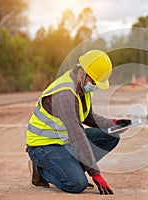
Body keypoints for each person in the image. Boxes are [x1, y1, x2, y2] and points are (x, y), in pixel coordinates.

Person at [26, 50, 131, 195]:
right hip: (44, 146)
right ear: (82, 72)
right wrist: (96, 174)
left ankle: (69, 169)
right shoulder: (64, 94)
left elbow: (87, 116)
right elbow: (77, 136)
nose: (94, 86)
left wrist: (111, 123)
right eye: (94, 81)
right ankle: (41, 170)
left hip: (63, 141)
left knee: (111, 136)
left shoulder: (82, 85)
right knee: (76, 184)